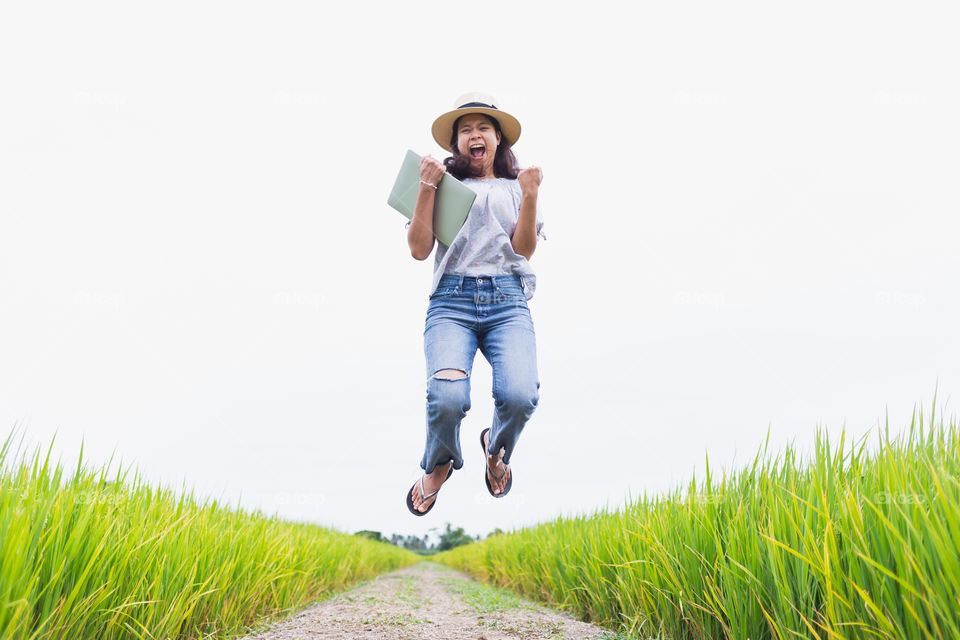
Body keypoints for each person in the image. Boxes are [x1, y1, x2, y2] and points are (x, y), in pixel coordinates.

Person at [404, 92, 547, 516]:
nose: (474, 135)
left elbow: (523, 250)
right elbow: (417, 249)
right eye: (465, 130)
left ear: (499, 139)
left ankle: (496, 447)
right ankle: (439, 462)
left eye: (483, 127)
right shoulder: (441, 186)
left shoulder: (514, 187)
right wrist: (427, 184)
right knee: (447, 397)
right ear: (456, 144)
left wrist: (532, 194)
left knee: (520, 395)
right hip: (452, 302)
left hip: (507, 301)